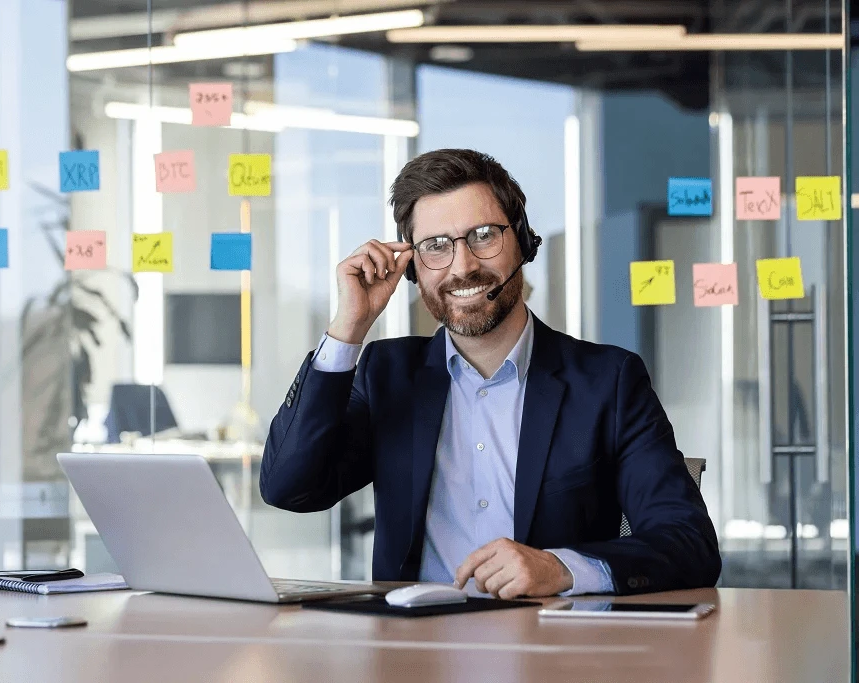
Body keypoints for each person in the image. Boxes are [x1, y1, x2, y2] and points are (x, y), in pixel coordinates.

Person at [260, 148, 721, 598]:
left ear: (522, 240)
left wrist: (561, 568)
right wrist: (348, 329)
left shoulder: (608, 381)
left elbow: (688, 543)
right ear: (413, 268)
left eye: (483, 235)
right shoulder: (388, 374)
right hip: (413, 658)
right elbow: (290, 487)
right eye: (435, 246)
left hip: (551, 654)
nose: (463, 266)